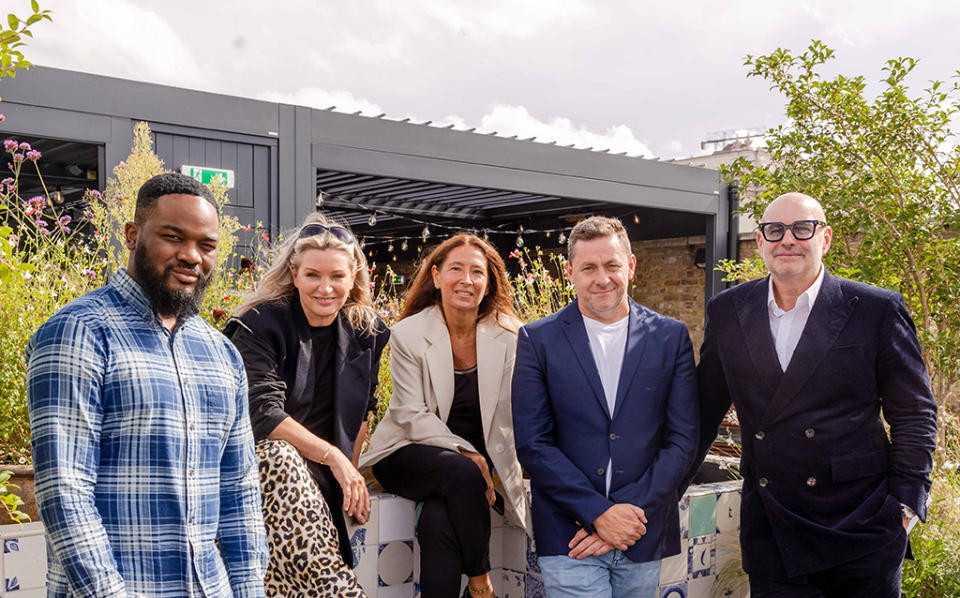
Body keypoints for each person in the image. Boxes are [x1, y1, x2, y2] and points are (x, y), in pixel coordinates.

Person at [26, 173, 267, 597]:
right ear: (133, 235)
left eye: (206, 245)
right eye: (174, 237)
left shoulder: (221, 353)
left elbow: (240, 494)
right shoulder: (78, 333)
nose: (192, 256)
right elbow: (65, 494)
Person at [691, 192, 938, 597]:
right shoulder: (729, 310)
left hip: (863, 527)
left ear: (824, 238)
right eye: (774, 230)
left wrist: (905, 507)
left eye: (801, 228)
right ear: (760, 242)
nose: (787, 239)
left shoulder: (876, 309)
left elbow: (914, 413)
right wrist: (657, 494)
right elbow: (701, 415)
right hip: (774, 530)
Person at [512, 216, 698, 598]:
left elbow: (682, 440)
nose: (602, 278)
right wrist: (599, 514)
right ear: (569, 273)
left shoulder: (671, 336)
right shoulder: (537, 339)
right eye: (589, 268)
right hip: (569, 534)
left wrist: (624, 515)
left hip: (641, 529)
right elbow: (533, 443)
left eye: (612, 265)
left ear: (630, 266)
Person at [225, 213, 389, 597]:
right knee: (280, 454)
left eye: (337, 276)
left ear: (353, 278)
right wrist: (336, 459)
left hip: (322, 485)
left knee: (282, 586)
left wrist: (353, 478)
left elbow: (364, 410)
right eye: (313, 275)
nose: (325, 288)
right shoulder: (260, 323)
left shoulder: (368, 332)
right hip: (260, 473)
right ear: (295, 275)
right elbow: (261, 413)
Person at [360, 233, 530, 598]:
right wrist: (467, 454)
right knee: (463, 473)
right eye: (456, 269)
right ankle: (482, 585)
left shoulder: (510, 337)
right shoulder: (409, 333)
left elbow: (517, 415)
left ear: (488, 283)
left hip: (466, 475)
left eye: (477, 272)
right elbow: (409, 412)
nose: (466, 280)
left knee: (438, 519)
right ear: (436, 276)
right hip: (406, 451)